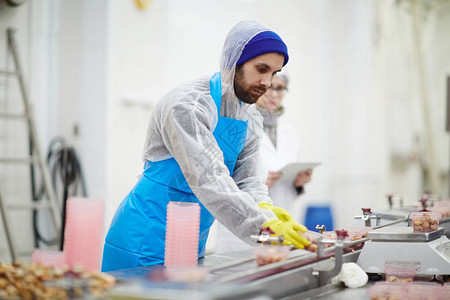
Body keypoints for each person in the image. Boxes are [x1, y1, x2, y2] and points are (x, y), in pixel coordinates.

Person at [101, 20, 310, 272]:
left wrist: (265, 210)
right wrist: (264, 227)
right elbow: (209, 178)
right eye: (261, 69)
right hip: (143, 237)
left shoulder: (251, 117)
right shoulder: (188, 106)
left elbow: (249, 181)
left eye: (274, 74)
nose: (267, 82)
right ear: (234, 62)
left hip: (190, 240)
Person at [214, 74, 313, 254]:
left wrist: (298, 184)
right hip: (242, 232)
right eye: (269, 88)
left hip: (283, 225)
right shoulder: (238, 127)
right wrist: (256, 182)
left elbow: (288, 188)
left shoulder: (289, 133)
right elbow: (218, 178)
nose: (273, 94)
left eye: (280, 88)